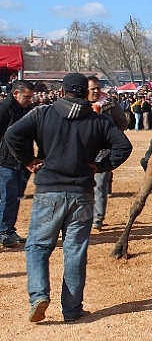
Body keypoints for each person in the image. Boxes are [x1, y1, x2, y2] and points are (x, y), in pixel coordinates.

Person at [4, 73, 132, 323]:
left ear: (61, 92)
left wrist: (29, 160)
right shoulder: (99, 121)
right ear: (86, 93)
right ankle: (72, 309)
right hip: (82, 193)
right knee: (75, 251)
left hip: (49, 191)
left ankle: (39, 295)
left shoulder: (42, 113)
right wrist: (100, 166)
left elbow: (12, 135)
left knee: (38, 247)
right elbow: (123, 147)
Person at [87, 76, 128, 230]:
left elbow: (122, 122)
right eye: (93, 88)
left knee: (99, 185)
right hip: (83, 152)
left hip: (104, 152)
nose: (96, 91)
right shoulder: (80, 104)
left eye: (98, 87)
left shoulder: (110, 104)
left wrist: (112, 138)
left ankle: (97, 218)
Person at [0, 80, 35, 247]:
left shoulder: (26, 109)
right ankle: (3, 232)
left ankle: (9, 230)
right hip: (5, 161)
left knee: (15, 197)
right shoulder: (4, 109)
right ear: (16, 94)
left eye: (31, 97)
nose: (29, 99)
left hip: (22, 162)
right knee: (7, 197)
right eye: (26, 96)